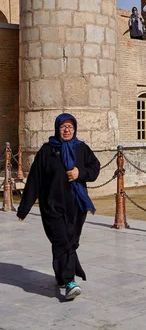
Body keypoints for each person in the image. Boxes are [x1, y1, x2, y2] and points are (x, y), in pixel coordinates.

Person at [17, 113, 100, 301]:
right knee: (62, 240)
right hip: (52, 206)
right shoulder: (47, 151)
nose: (67, 129)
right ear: (57, 128)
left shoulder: (82, 149)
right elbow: (35, 180)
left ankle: (60, 272)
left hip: (77, 207)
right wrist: (24, 208)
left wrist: (81, 173)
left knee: (70, 242)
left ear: (75, 128)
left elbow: (95, 168)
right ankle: (70, 282)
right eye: (63, 126)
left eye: (70, 126)